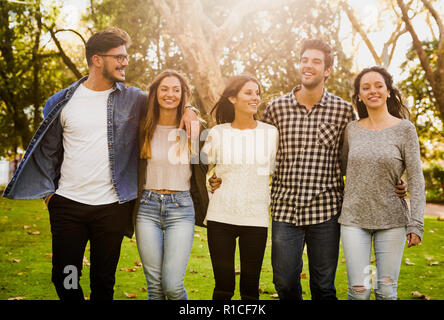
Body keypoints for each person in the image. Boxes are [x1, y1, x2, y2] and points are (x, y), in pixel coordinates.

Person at [2, 28, 198, 300]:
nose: (125, 62)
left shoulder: (133, 99)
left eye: (125, 56)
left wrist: (191, 110)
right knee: (65, 277)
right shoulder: (60, 102)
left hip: (112, 208)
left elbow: (169, 101)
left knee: (103, 282)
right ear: (97, 60)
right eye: (118, 57)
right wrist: (50, 197)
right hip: (68, 206)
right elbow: (47, 153)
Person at [209, 39, 406, 300]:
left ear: (327, 70)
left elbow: (356, 157)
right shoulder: (276, 109)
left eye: (315, 61)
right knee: (285, 284)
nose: (308, 65)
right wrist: (217, 175)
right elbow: (249, 139)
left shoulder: (343, 110)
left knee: (323, 288)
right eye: (304, 60)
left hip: (326, 211)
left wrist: (393, 178)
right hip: (285, 210)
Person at [339, 66, 425, 300]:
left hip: (392, 221)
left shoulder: (405, 129)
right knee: (359, 292)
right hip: (354, 219)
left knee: (386, 291)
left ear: (388, 91)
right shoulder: (351, 130)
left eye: (378, 86)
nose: (372, 91)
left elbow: (416, 177)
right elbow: (343, 166)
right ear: (359, 95)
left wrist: (416, 223)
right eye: (365, 87)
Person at [202, 74, 278, 300]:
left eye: (257, 93)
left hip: (255, 218)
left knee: (250, 289)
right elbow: (204, 173)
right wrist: (211, 182)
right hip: (220, 217)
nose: (255, 97)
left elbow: (275, 173)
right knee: (223, 288)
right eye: (248, 92)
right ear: (233, 98)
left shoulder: (271, 134)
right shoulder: (217, 133)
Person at [134, 69, 209, 300]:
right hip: (146, 208)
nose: (170, 94)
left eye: (176, 90)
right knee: (154, 288)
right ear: (155, 92)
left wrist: (191, 111)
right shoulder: (141, 127)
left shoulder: (193, 129)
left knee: (173, 287)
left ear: (183, 94)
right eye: (164, 89)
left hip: (181, 208)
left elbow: (207, 165)